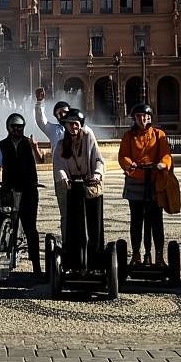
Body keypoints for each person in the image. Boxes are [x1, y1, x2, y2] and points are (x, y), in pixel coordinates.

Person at [0, 112, 43, 274]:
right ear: (8, 127)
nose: (17, 130)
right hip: (9, 187)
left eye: (19, 127)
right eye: (14, 127)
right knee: (3, 215)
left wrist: (35, 147)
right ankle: (2, 242)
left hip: (28, 188)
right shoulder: (2, 144)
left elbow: (40, 160)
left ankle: (36, 266)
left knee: (30, 227)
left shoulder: (28, 143)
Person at [118, 102, 172, 267]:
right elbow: (123, 155)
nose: (142, 119)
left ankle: (159, 256)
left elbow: (166, 154)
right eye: (139, 116)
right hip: (136, 178)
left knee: (156, 219)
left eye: (145, 116)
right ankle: (136, 254)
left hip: (154, 180)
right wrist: (129, 164)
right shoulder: (128, 135)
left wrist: (163, 164)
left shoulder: (158, 133)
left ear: (150, 117)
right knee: (136, 219)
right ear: (134, 118)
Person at [54, 108, 106, 258]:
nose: (73, 127)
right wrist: (64, 178)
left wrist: (97, 174)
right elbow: (59, 164)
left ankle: (96, 256)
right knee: (73, 222)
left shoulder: (88, 138)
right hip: (73, 185)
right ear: (65, 126)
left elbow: (98, 159)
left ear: (81, 125)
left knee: (94, 222)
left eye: (76, 124)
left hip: (90, 184)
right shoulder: (61, 144)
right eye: (70, 124)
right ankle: (74, 256)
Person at [33, 88, 75, 156]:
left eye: (65, 112)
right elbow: (41, 121)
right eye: (59, 113)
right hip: (58, 165)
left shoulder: (77, 128)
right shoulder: (54, 130)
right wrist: (39, 102)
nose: (63, 115)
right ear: (56, 116)